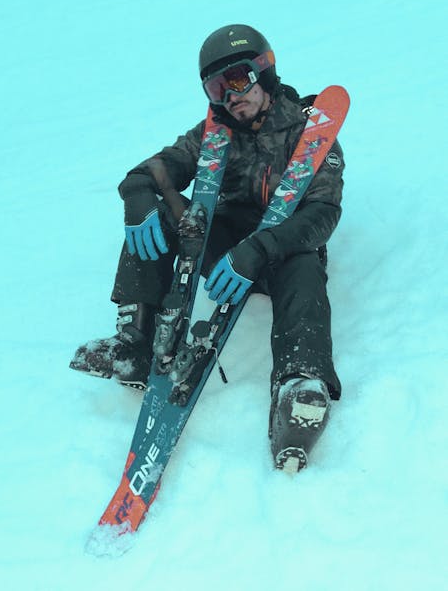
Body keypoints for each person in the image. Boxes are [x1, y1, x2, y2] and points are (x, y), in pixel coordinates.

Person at [70, 24, 345, 473]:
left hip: (281, 253)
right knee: (159, 218)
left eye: (237, 80)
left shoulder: (310, 130)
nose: (230, 96)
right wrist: (138, 195)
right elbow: (156, 169)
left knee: (305, 267)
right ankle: (135, 344)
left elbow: (322, 213)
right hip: (226, 249)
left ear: (265, 72)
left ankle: (300, 384)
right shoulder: (215, 133)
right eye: (216, 88)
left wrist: (260, 249)